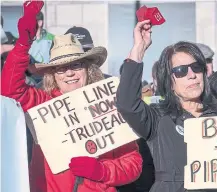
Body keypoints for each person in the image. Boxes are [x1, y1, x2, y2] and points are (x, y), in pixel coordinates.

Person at [1, 1, 142, 192]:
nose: (69, 73)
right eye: (60, 68)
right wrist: (24, 41)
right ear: (52, 75)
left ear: (88, 69)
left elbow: (133, 163)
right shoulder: (44, 104)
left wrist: (102, 171)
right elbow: (9, 89)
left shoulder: (108, 103)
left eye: (76, 65)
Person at [116, 19, 217, 192]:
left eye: (196, 67)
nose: (191, 75)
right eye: (181, 71)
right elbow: (127, 103)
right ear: (168, 80)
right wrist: (138, 49)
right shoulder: (157, 118)